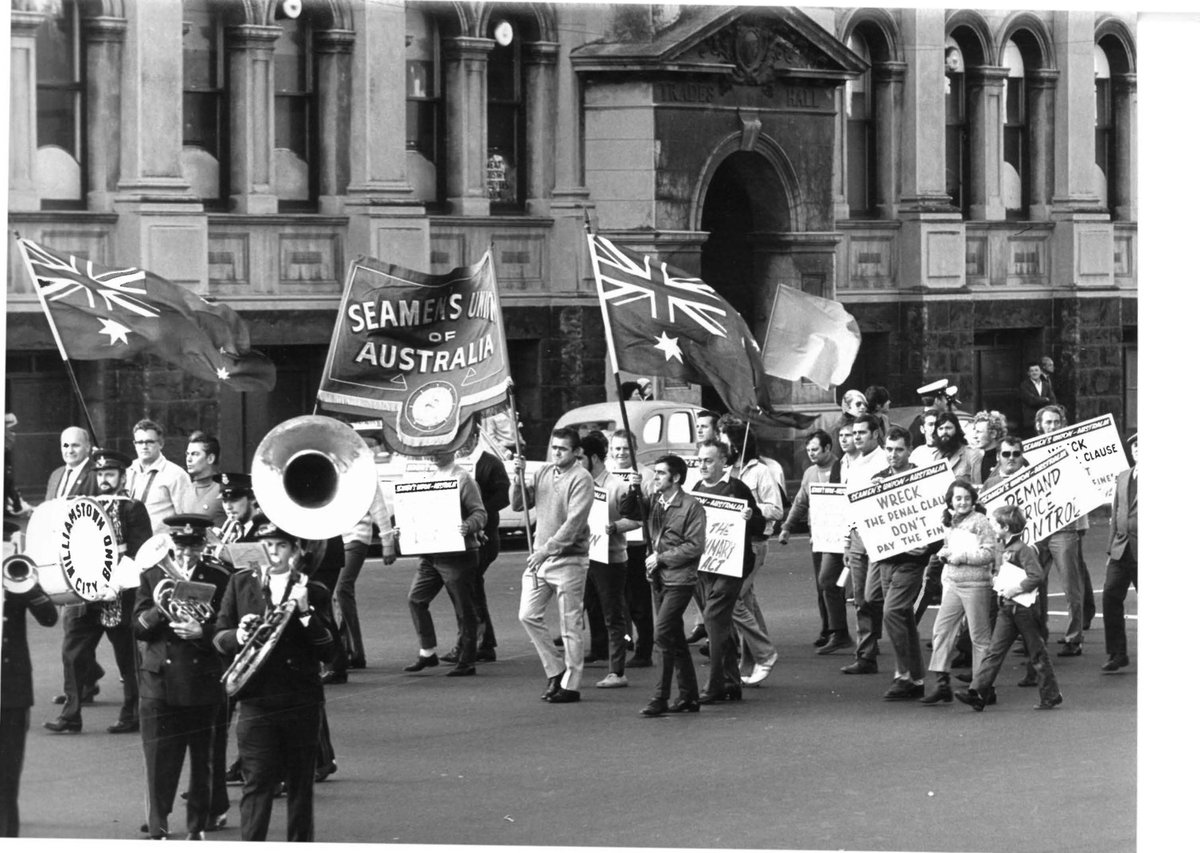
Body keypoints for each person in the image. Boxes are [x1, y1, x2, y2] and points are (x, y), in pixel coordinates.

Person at [213, 515, 336, 842]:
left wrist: (306, 613)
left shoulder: (314, 590)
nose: (274, 552)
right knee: (256, 785)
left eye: (281, 545)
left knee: (300, 788)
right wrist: (240, 636)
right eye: (267, 545)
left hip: (301, 702)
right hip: (257, 701)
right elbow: (219, 636)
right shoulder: (240, 583)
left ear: (295, 550)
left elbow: (331, 652)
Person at [133, 513, 232, 840]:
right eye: (181, 546)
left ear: (204, 544)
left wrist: (202, 631)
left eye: (194, 546)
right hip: (159, 679)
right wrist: (160, 609)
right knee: (158, 757)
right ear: (171, 544)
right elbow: (138, 628)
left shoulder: (219, 576)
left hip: (202, 677)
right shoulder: (152, 574)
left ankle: (201, 821)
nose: (187, 553)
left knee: (205, 758)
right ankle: (158, 821)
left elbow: (229, 626)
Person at [45, 448, 152, 734]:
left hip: (119, 594)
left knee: (127, 659)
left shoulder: (132, 508)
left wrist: (115, 585)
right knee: (72, 653)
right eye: (101, 474)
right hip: (86, 594)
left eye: (110, 474)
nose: (104, 479)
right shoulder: (84, 505)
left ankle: (132, 714)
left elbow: (139, 554)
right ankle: (71, 715)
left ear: (122, 476)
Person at [513, 428, 594, 704]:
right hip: (540, 558)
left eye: (562, 448)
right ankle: (556, 670)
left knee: (570, 625)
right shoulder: (543, 472)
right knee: (527, 615)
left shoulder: (582, 478)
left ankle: (571, 685)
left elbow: (574, 524)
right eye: (554, 447)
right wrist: (518, 478)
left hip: (569, 560)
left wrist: (545, 551)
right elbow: (518, 505)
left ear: (576, 452)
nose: (556, 452)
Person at [955, 505, 1062, 712]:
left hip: (1023, 609)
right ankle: (977, 692)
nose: (992, 527)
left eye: (995, 524)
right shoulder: (1005, 548)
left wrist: (1017, 588)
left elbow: (1037, 576)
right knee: (994, 651)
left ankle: (1051, 694)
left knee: (1037, 652)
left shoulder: (1022, 549)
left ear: (1005, 527)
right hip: (1007, 607)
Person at [402, 450, 487, 677]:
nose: (432, 456)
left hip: (458, 554)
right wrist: (406, 528)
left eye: (438, 451)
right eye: (429, 451)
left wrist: (468, 526)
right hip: (431, 554)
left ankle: (467, 660)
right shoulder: (427, 477)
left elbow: (480, 513)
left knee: (463, 608)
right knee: (416, 599)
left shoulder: (463, 478)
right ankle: (427, 652)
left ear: (452, 450)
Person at [692, 440, 763, 703]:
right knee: (720, 625)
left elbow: (760, 524)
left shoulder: (736, 487)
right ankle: (732, 682)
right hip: (705, 566)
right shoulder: (697, 489)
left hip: (731, 567)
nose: (703, 465)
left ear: (723, 462)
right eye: (700, 460)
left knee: (713, 619)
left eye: (708, 460)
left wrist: (750, 517)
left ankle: (715, 685)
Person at [635, 455, 706, 716]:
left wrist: (661, 558)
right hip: (658, 578)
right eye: (655, 473)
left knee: (663, 634)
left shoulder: (691, 506)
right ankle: (689, 696)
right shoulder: (655, 501)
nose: (655, 477)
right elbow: (631, 512)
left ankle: (660, 697)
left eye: (661, 473)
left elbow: (695, 546)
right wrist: (632, 490)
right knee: (674, 637)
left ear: (675, 478)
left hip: (680, 579)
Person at [1, 518, 59, 836]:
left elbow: (49, 617)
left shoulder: (17, 578)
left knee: (6, 782)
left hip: (11, 691)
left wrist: (27, 584)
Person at [873, 428, 938, 701]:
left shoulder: (921, 479)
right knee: (904, 618)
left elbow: (937, 519)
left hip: (911, 562)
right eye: (889, 449)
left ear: (909, 450)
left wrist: (928, 546)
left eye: (899, 449)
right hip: (887, 561)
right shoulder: (877, 479)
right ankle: (917, 678)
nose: (893, 455)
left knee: (892, 612)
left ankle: (903, 675)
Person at [717, 416, 782, 686]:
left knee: (734, 598)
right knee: (747, 600)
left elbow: (776, 509)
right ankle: (753, 661)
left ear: (736, 445)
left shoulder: (760, 472)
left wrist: (750, 508)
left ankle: (763, 655)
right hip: (732, 544)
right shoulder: (725, 471)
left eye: (724, 441)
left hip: (754, 541)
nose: (721, 447)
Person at [920, 479, 998, 705]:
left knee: (979, 637)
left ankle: (983, 687)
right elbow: (948, 546)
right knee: (941, 630)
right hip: (953, 584)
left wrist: (961, 557)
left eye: (966, 498)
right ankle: (942, 683)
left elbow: (989, 553)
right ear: (950, 501)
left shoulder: (981, 521)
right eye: (958, 498)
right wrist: (944, 553)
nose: (962, 502)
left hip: (975, 585)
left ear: (973, 500)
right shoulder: (951, 522)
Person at [779, 430, 852, 654]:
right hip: (819, 535)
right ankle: (828, 629)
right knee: (823, 585)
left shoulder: (843, 468)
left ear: (828, 448)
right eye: (808, 450)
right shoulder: (810, 473)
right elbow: (801, 501)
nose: (811, 454)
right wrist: (787, 527)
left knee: (830, 581)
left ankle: (841, 632)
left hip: (841, 535)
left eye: (815, 449)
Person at [578, 431, 640, 689]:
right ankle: (593, 652)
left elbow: (636, 520)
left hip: (611, 559)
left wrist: (615, 527)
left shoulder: (616, 486)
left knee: (613, 614)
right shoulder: (580, 484)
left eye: (580, 458)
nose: (577, 463)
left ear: (593, 458)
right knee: (586, 608)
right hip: (584, 556)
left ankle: (617, 671)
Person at [1033, 405, 1095, 657]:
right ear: (1039, 425)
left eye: (1056, 422)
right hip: (1039, 527)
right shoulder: (1030, 452)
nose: (1052, 426)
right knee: (1035, 582)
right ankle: (1037, 634)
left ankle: (1074, 637)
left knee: (1071, 585)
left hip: (1065, 526)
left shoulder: (1073, 449)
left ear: (1063, 424)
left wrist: (1081, 526)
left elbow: (1087, 484)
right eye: (1047, 422)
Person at [326, 477, 396, 682]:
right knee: (335, 594)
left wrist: (387, 542)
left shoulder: (364, 471)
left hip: (356, 536)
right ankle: (348, 650)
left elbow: (379, 508)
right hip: (334, 538)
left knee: (342, 589)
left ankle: (355, 651)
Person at [840, 414, 887, 675]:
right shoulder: (853, 463)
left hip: (879, 534)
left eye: (862, 433)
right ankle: (866, 654)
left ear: (875, 434)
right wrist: (847, 541)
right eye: (854, 433)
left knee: (872, 596)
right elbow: (849, 505)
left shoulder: (884, 460)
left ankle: (874, 640)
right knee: (860, 597)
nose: (856, 437)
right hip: (858, 534)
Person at [610, 429, 654, 668]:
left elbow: (652, 510)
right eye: (617, 448)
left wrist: (639, 492)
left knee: (639, 600)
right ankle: (621, 640)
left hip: (637, 544)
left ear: (635, 450)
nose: (621, 453)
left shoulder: (646, 475)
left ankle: (644, 650)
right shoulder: (608, 475)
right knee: (616, 598)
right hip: (611, 544)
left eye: (626, 448)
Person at [1101, 433, 1137, 673]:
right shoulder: (1124, 476)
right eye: (1135, 446)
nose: (1139, 449)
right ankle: (1117, 653)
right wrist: (1110, 548)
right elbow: (1116, 513)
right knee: (1110, 597)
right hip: (1121, 549)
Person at [125, 418, 189, 534]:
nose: (144, 446)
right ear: (134, 444)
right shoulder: (127, 471)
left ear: (161, 444)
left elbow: (185, 517)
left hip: (160, 542)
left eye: (149, 442)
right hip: (129, 540)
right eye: (140, 442)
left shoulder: (176, 475)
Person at [180, 431, 227, 527]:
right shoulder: (187, 490)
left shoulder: (224, 489)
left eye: (195, 454)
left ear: (210, 458)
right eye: (187, 454)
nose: (188, 459)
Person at [933, 411, 983, 484]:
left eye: (948, 428)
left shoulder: (972, 455)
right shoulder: (936, 457)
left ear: (957, 429)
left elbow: (978, 485)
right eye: (940, 428)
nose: (944, 432)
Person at [1018, 362, 1056, 436]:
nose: (1034, 373)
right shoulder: (1024, 385)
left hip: (1045, 420)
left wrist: (1040, 400)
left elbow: (1053, 400)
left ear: (1040, 372)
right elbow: (1031, 401)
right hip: (1031, 421)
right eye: (1032, 371)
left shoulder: (1046, 385)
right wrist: (1045, 399)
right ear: (1028, 373)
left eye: (1036, 370)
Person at [970, 411, 1007, 482]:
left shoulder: (1007, 458)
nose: (975, 436)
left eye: (979, 432)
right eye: (975, 431)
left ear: (993, 434)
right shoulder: (976, 463)